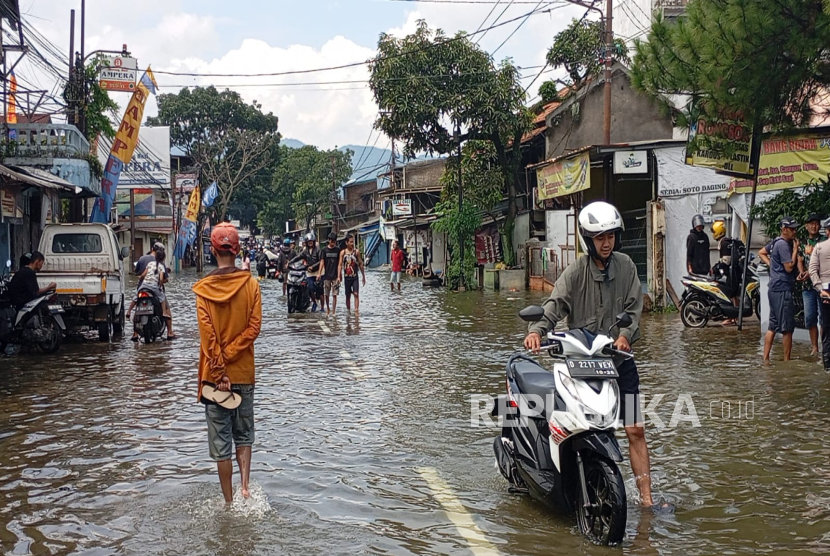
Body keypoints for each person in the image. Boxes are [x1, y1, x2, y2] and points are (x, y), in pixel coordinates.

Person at [523, 201, 666, 510]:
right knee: (579, 426)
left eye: (611, 236)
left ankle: (647, 500)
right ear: (589, 240)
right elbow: (554, 305)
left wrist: (625, 337)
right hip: (583, 364)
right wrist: (537, 331)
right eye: (600, 238)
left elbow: (634, 310)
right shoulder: (575, 272)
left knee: (635, 429)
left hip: (619, 363)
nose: (606, 243)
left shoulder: (627, 266)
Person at [193, 222, 262, 505]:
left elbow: (208, 338)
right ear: (237, 250)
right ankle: (246, 487)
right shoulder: (252, 285)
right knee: (244, 435)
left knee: (221, 446)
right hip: (244, 374)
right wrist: (232, 357)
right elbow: (253, 328)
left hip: (214, 380)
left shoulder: (202, 290)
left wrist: (220, 370)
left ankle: (229, 502)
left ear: (212, 250)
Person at [758, 216, 801, 362]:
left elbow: (761, 252)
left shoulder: (775, 242)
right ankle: (787, 361)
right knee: (787, 328)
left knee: (773, 325)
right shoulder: (783, 245)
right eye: (792, 229)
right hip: (782, 288)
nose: (795, 231)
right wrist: (795, 250)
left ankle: (765, 359)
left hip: (774, 288)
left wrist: (772, 266)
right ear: (784, 230)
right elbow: (789, 268)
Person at [132, 246, 176, 341]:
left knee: (138, 308)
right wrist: (162, 282)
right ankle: (170, 332)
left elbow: (137, 273)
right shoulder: (161, 264)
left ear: (152, 249)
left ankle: (135, 334)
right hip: (154, 289)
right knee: (166, 307)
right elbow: (163, 279)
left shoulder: (142, 259)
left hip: (142, 288)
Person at [798, 214, 824, 356]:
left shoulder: (824, 241)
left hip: (821, 285)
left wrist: (810, 272)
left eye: (816, 223)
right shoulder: (803, 242)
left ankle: (825, 344)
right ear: (806, 226)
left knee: (824, 317)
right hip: (807, 287)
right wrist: (802, 273)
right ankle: (814, 347)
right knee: (810, 317)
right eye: (811, 223)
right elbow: (800, 259)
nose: (814, 226)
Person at [809, 217, 830, 370]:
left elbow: (812, 270)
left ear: (827, 231)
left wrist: (820, 289)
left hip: (825, 291)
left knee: (827, 328)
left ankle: (828, 365)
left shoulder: (819, 247)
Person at [338, 234, 366, 316]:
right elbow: (340, 264)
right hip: (347, 277)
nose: (352, 244)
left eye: (353, 242)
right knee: (348, 296)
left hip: (355, 277)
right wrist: (339, 275)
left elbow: (360, 264)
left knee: (356, 293)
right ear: (346, 243)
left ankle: (356, 310)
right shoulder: (343, 253)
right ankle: (348, 311)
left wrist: (363, 276)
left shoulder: (356, 252)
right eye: (350, 242)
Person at [295, 232, 323, 312]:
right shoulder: (305, 251)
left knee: (320, 290)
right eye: (308, 242)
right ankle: (314, 302)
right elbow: (299, 258)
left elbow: (321, 261)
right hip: (309, 272)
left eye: (312, 242)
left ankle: (322, 307)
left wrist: (314, 267)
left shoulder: (318, 250)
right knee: (309, 288)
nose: (310, 243)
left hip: (318, 271)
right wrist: (290, 263)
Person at [318, 232, 342, 315]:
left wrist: (339, 276)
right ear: (328, 240)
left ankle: (334, 311)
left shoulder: (338, 250)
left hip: (335, 276)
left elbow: (339, 264)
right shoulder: (324, 250)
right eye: (331, 241)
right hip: (327, 275)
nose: (333, 243)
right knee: (326, 294)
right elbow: (322, 262)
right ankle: (328, 308)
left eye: (334, 241)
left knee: (335, 294)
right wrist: (319, 273)